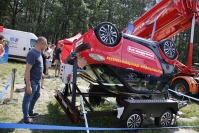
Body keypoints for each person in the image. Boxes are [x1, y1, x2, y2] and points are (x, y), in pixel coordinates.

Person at [22, 36, 47, 124]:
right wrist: (28, 85)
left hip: (37, 80)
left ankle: (30, 112)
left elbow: (38, 65)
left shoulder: (39, 52)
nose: (46, 45)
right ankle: (26, 117)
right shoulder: (32, 53)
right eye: (45, 44)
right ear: (41, 44)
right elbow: (27, 70)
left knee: (36, 95)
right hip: (32, 81)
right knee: (27, 99)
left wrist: (42, 74)